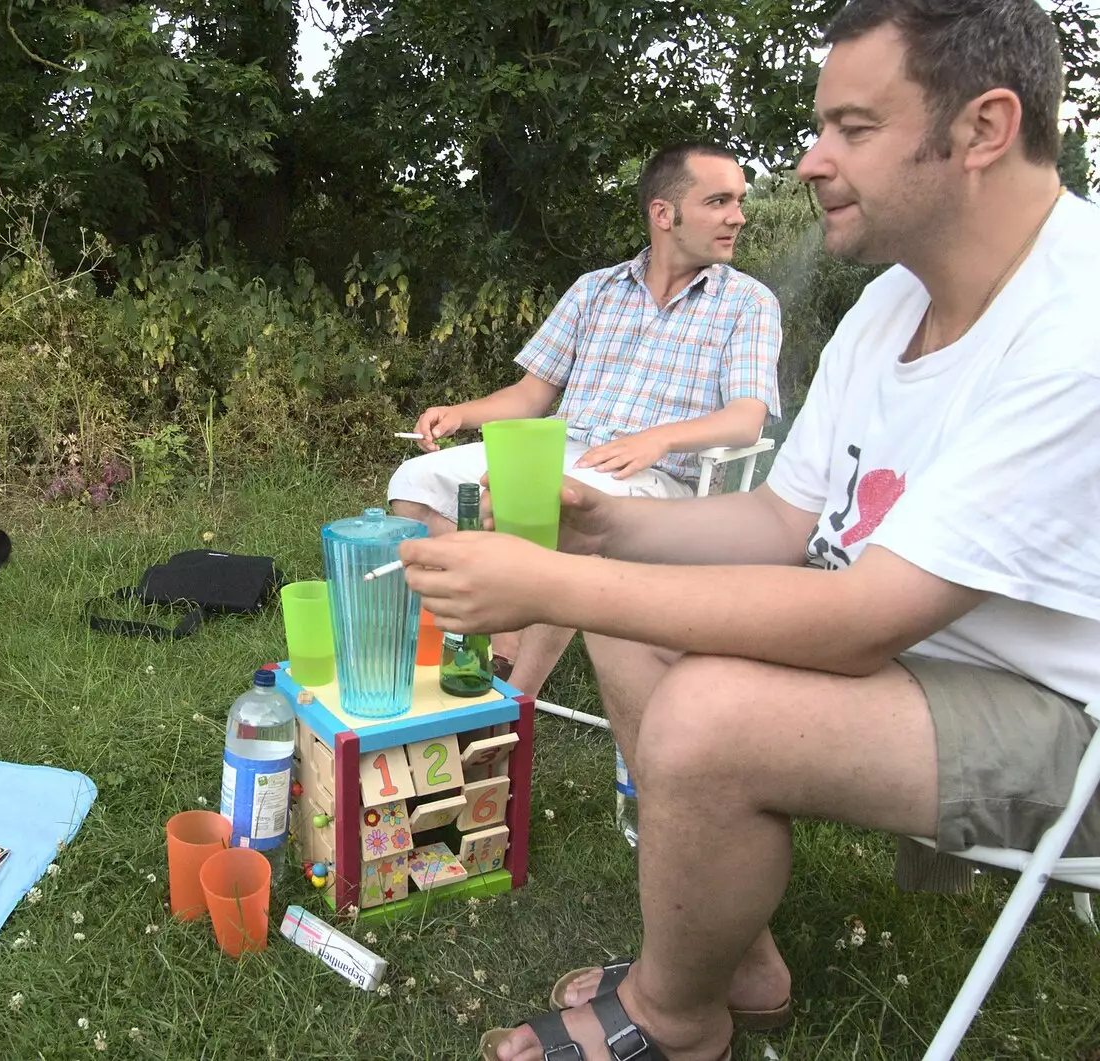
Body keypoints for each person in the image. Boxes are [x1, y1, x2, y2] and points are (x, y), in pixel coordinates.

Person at [400, 2, 1100, 1059]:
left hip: (1061, 717)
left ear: (982, 129)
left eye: (852, 128)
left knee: (709, 711)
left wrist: (551, 585)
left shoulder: (1074, 324)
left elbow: (861, 615)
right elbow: (782, 519)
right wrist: (603, 529)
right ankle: (738, 960)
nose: (812, 161)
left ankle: (677, 1019)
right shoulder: (888, 308)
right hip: (924, 654)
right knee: (633, 616)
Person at [388, 142, 783, 696]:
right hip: (568, 451)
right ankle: (480, 646)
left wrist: (657, 440)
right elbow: (531, 395)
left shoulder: (748, 303)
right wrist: (461, 414)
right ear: (663, 214)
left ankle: (512, 696)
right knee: (416, 485)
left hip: (659, 482)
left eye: (739, 201)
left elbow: (746, 419)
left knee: (566, 510)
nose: (737, 216)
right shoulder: (595, 290)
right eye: (718, 201)